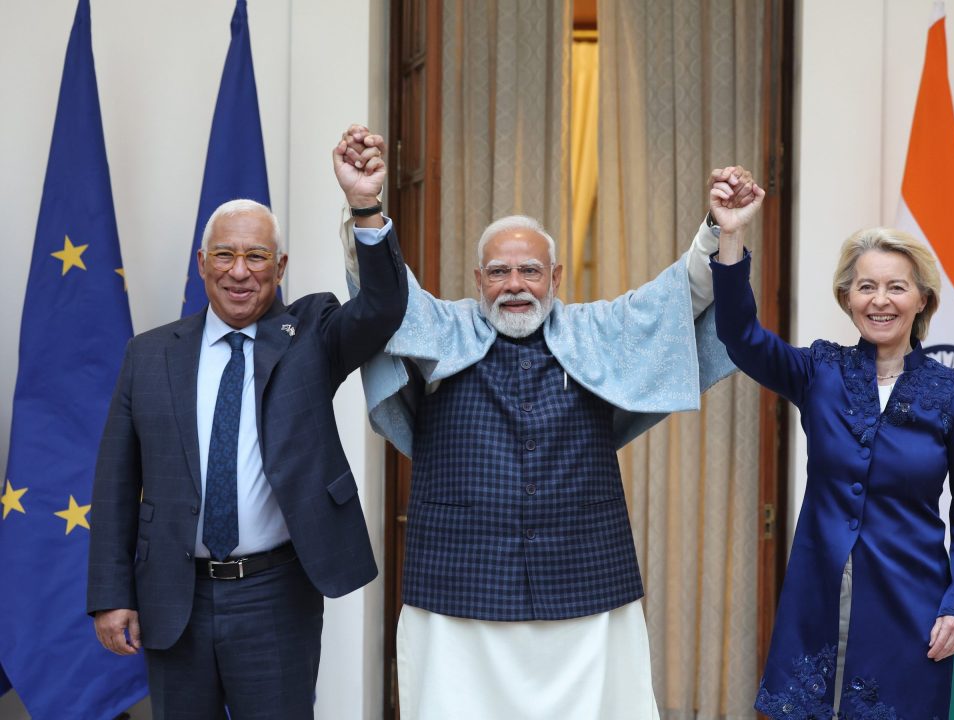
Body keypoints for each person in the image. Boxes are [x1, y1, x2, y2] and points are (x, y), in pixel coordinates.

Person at [339, 126, 755, 718]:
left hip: (584, 581)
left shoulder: (598, 329)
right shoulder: (441, 326)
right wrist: (366, 207)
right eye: (499, 273)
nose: (515, 286)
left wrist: (720, 229)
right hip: (460, 584)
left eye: (530, 271)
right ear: (478, 280)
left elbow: (680, 295)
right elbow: (383, 296)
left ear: (556, 278)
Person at [86, 126, 407, 719]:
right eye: (225, 255)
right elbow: (114, 484)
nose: (240, 271)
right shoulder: (149, 355)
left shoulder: (311, 333)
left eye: (256, 256)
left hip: (275, 594)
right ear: (202, 263)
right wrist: (110, 594)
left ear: (279, 266)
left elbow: (384, 308)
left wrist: (365, 205)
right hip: (174, 594)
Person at [708, 178, 954, 718]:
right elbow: (740, 336)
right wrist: (730, 236)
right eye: (866, 287)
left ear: (922, 299)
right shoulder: (819, 371)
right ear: (847, 298)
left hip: (912, 606)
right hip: (816, 599)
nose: (880, 301)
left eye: (896, 287)